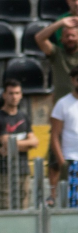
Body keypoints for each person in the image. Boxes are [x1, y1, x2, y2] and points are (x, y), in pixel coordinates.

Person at [35, 18, 78, 206]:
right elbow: (39, 38)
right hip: (62, 109)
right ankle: (53, 195)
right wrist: (61, 23)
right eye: (67, 36)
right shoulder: (57, 53)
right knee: (55, 157)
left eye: (73, 35)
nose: (69, 38)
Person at [0, 79, 37, 211]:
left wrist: (13, 145)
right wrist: (26, 144)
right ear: (4, 95)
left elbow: (35, 142)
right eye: (11, 93)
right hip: (4, 170)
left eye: (17, 93)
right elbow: (6, 142)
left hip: (23, 169)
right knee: (5, 207)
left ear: (21, 94)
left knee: (23, 205)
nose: (14, 96)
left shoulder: (24, 116)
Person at [52, 66, 78, 208]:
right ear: (73, 81)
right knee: (72, 205)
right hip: (72, 160)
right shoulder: (63, 104)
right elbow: (55, 136)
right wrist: (62, 162)